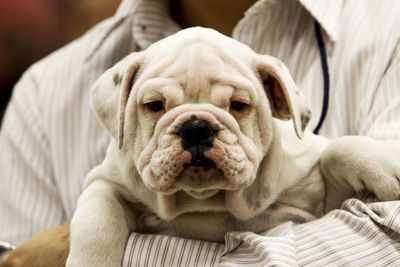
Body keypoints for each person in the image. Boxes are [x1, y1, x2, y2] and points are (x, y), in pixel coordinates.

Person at [1, 0, 400, 265]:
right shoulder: (44, 92)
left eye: (237, 106)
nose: (196, 132)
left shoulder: (386, 29)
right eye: (156, 106)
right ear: (118, 109)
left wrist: (121, 252)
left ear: (281, 102)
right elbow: (19, 259)